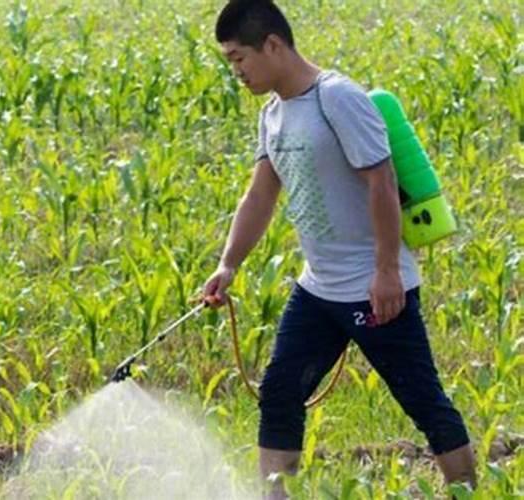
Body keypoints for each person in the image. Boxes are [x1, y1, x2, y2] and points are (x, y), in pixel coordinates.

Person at [203, 1, 476, 497]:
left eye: (238, 58)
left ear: (273, 45)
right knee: (280, 391)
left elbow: (381, 181)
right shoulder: (274, 113)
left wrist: (387, 270)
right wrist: (228, 265)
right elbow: (260, 196)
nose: (236, 71)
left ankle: (468, 489)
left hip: (374, 290)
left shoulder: (338, 98)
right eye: (229, 62)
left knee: (423, 402)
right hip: (318, 290)